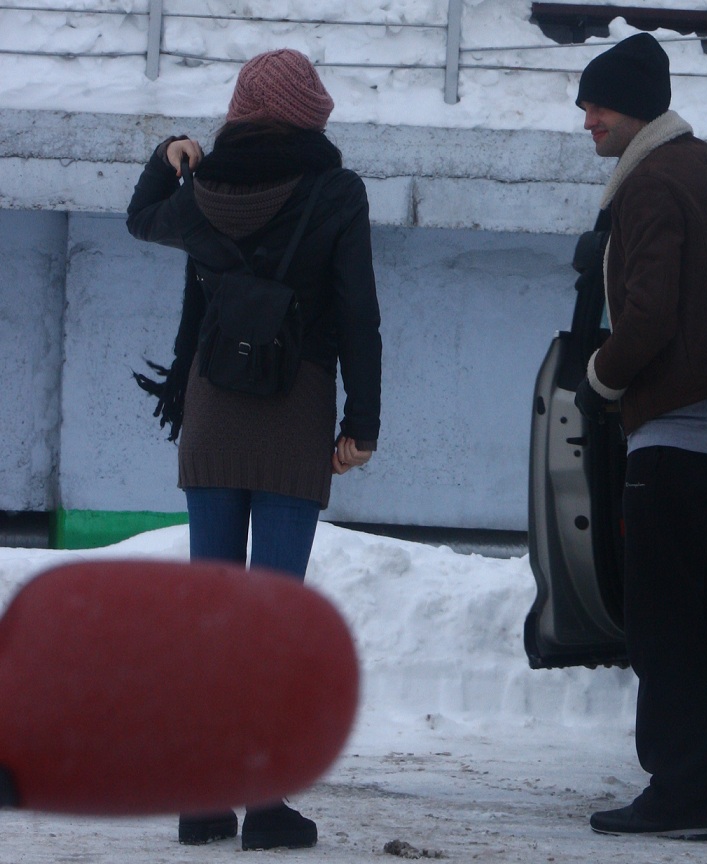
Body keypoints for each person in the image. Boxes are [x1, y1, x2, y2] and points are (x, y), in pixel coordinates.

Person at [125, 48, 382, 851]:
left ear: (239, 111)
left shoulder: (201, 188)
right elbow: (357, 315)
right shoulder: (336, 192)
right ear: (310, 114)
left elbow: (141, 216)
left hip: (210, 411)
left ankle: (203, 801)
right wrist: (362, 424)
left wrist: (169, 155)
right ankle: (266, 807)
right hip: (293, 414)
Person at [572, 33, 707, 841]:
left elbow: (647, 316)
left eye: (597, 106)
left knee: (665, 620)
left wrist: (600, 380)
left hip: (679, 423)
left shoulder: (649, 185)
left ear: (634, 110)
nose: (587, 120)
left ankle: (680, 792)